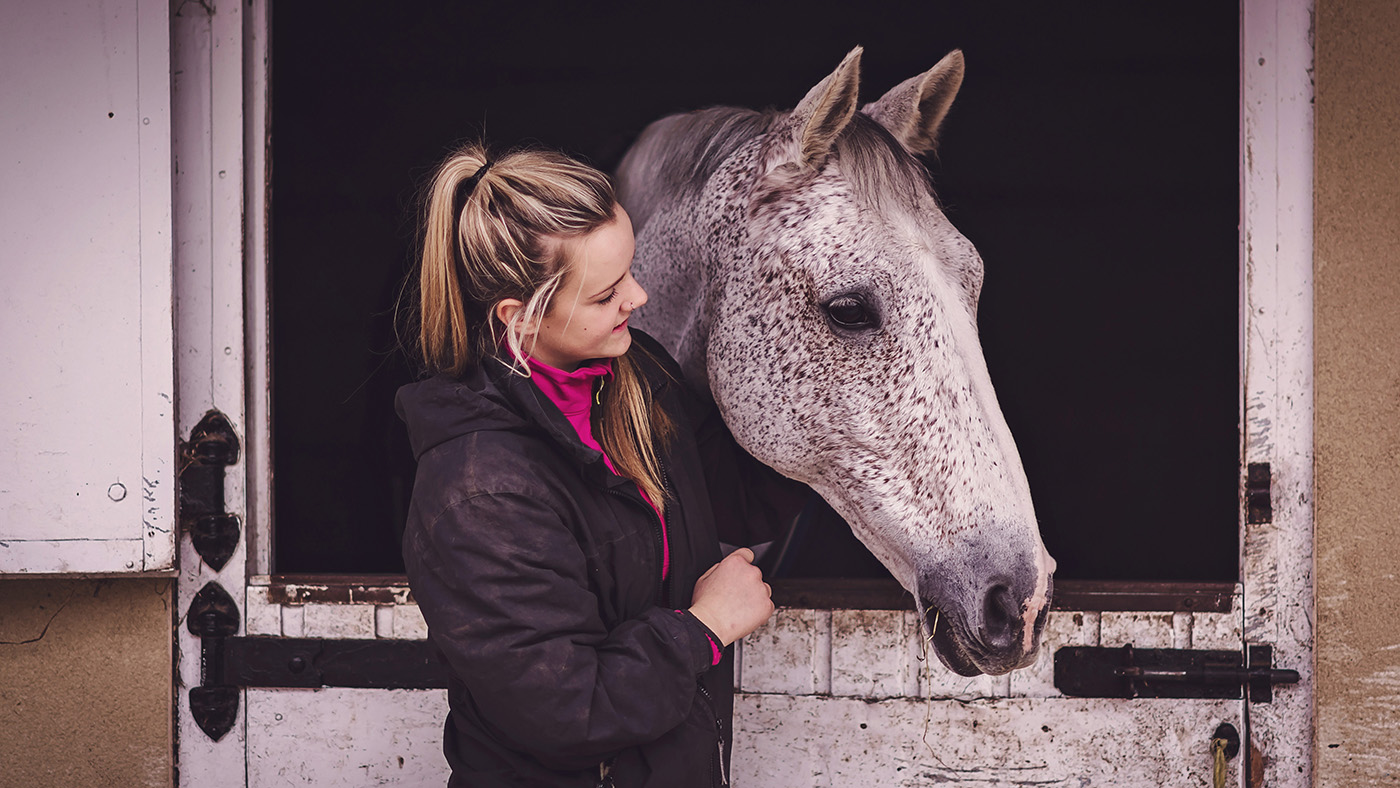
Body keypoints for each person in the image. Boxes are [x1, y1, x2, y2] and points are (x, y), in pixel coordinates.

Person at [397, 142, 793, 787]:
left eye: (630, 271)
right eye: (607, 293)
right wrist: (704, 629)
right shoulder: (479, 494)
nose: (637, 297)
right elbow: (564, 710)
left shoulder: (641, 375)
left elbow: (734, 502)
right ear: (519, 318)